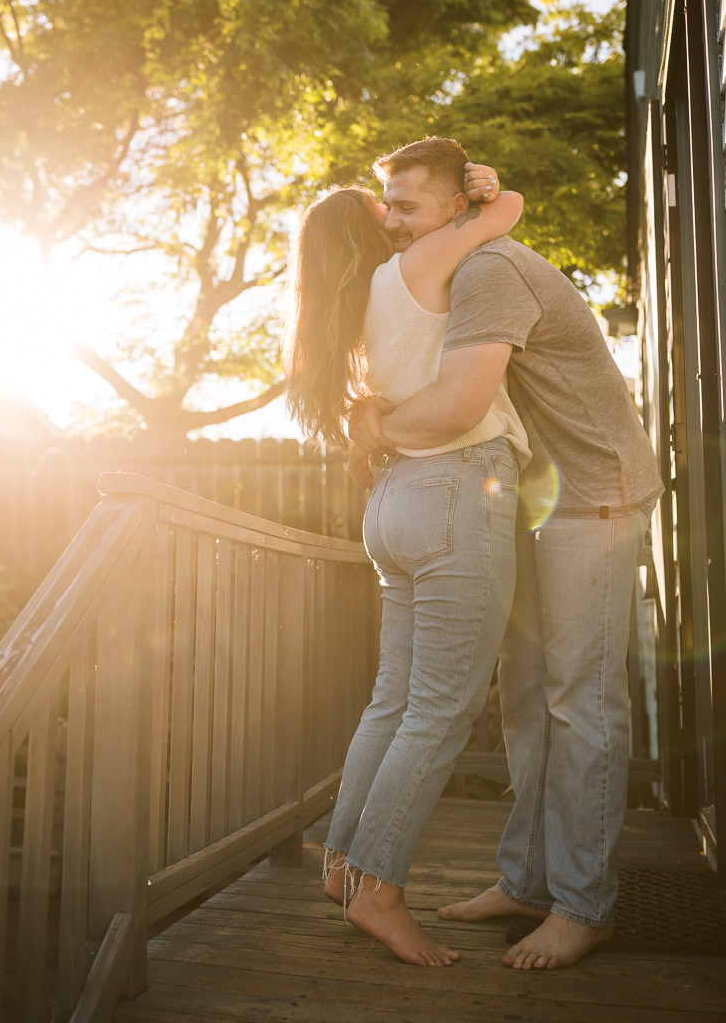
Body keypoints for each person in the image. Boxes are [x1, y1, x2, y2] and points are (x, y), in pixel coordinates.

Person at [348, 136, 663, 971]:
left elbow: (459, 404)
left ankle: (584, 904)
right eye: (387, 206)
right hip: (535, 498)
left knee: (581, 701)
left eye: (408, 207)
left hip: (594, 492)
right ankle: (527, 880)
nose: (391, 222)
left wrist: (374, 430)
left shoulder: (487, 271)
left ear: (458, 209)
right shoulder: (451, 269)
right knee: (524, 698)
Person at [281, 152, 531, 967]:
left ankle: (343, 865)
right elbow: (506, 210)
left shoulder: (347, 315)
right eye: (382, 211)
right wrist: (479, 188)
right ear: (370, 234)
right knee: (440, 711)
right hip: (457, 490)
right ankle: (380, 893)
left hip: (391, 504)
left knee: (393, 700)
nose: (395, 219)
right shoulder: (415, 269)